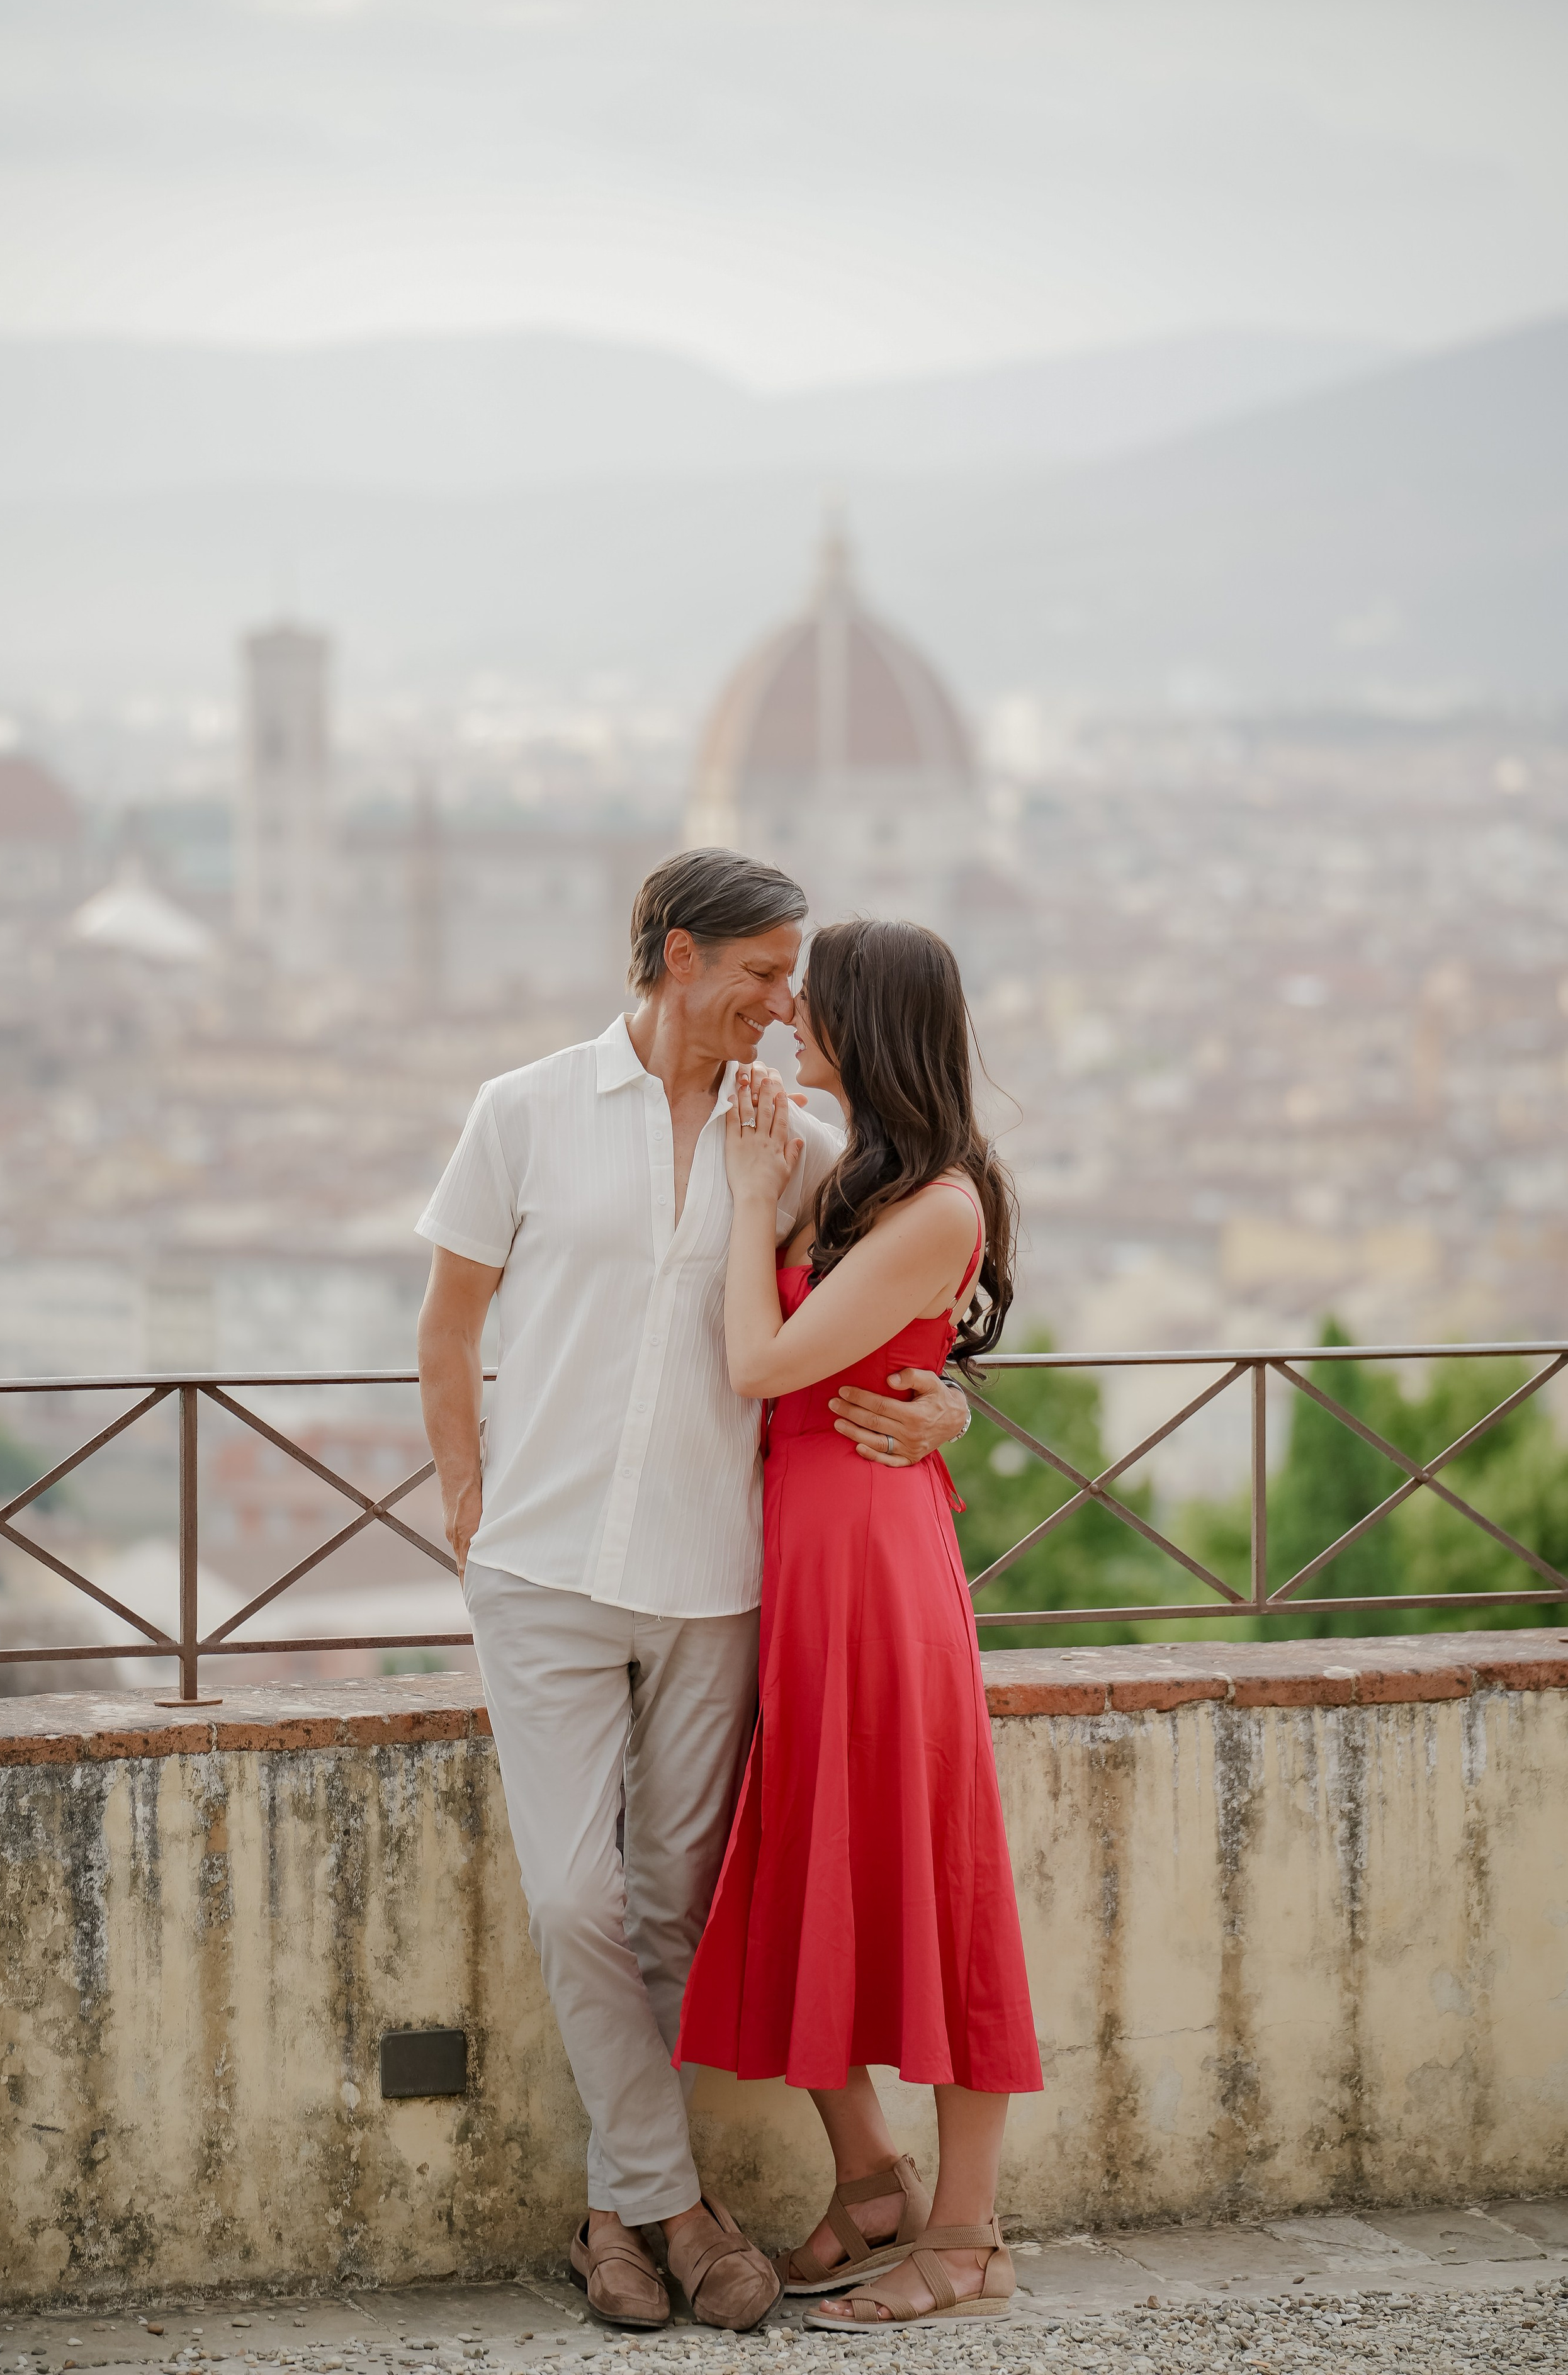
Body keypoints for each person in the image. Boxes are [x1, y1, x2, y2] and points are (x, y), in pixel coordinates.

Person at [414, 851, 970, 2334]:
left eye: (795, 978)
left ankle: (616, 2218)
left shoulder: (806, 1140)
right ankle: (670, 2204)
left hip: (719, 1578)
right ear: (671, 955)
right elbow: (447, 1324)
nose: (786, 1005)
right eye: (763, 973)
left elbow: (897, 1307)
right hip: (539, 1569)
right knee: (574, 1899)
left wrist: (948, 1405)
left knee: (671, 1903)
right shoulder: (520, 1111)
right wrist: (467, 1506)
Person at [675, 917, 1043, 2331]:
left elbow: (763, 1360)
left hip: (876, 1572)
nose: (790, 1021)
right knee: (798, 1866)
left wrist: (755, 1196)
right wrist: (770, 1197)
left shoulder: (937, 1205)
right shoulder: (862, 1185)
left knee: (927, 1885)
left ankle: (962, 2236)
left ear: (871, 1023)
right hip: (813, 1559)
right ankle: (870, 2177)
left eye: (812, 1004)